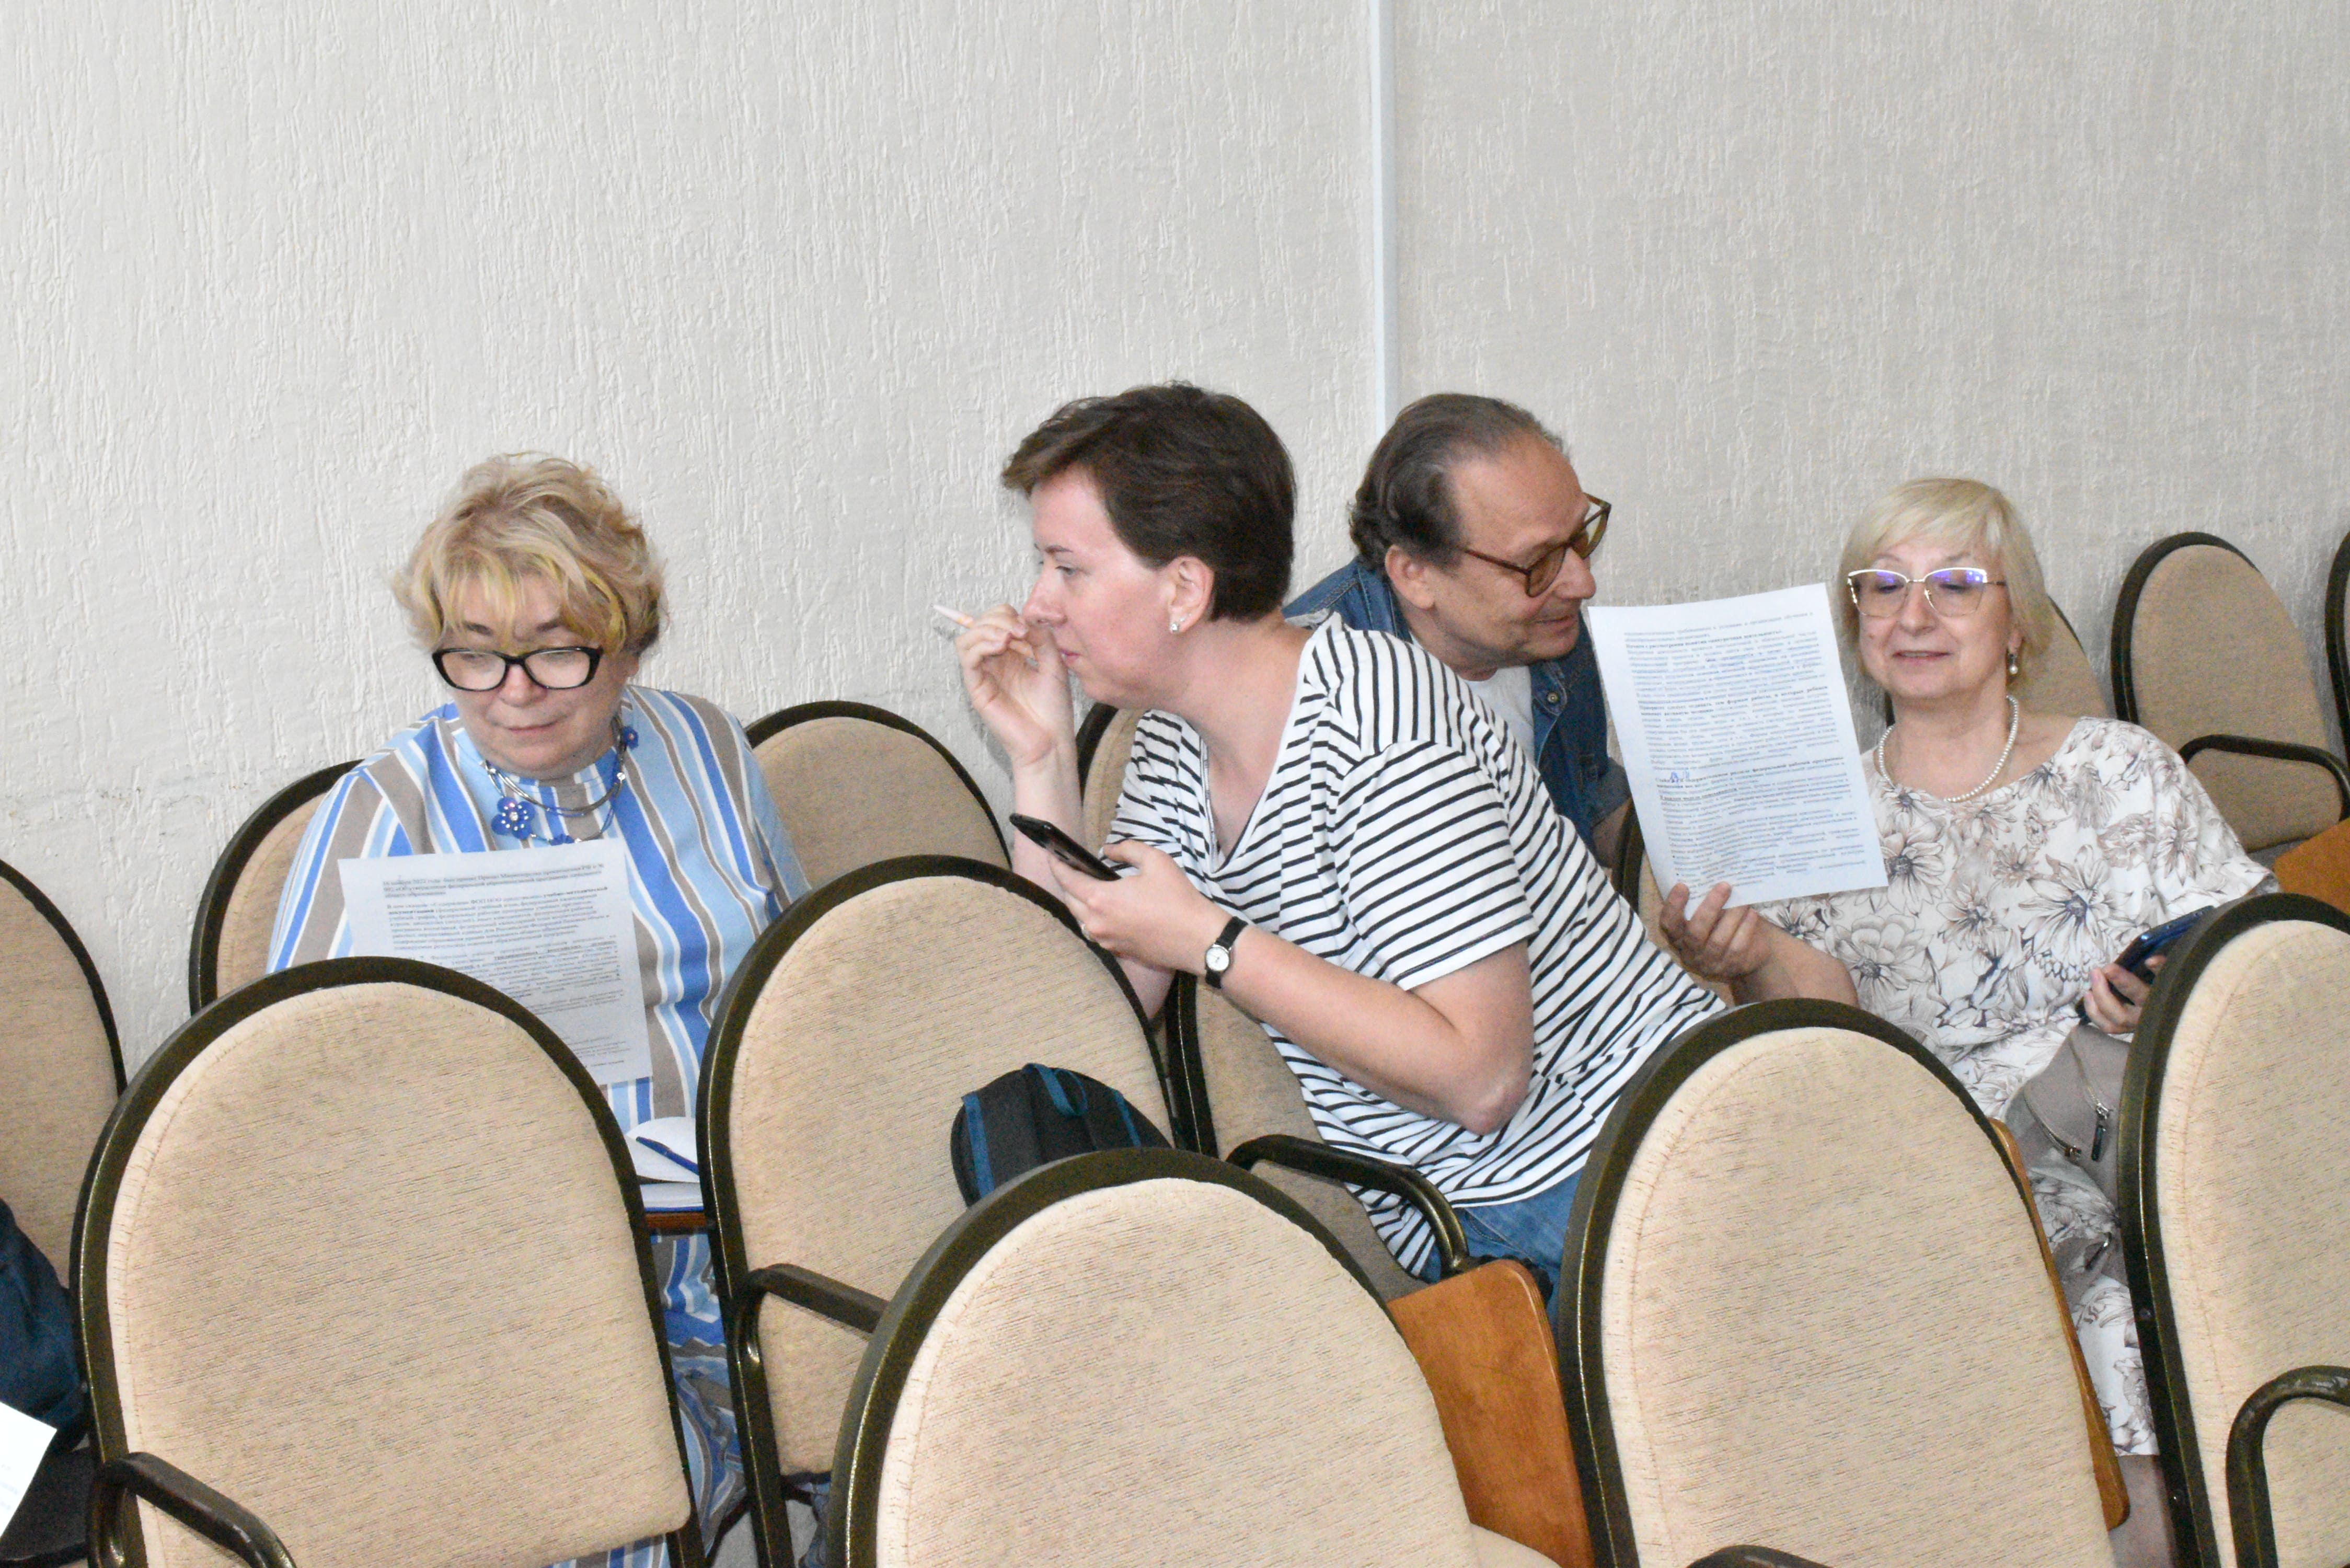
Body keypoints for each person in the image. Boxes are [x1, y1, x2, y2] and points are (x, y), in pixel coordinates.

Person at [955, 383, 1719, 1293]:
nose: (1039, 605)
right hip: (1486, 1204)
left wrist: (1213, 943)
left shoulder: (1378, 726)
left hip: (1634, 1157)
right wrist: (1042, 760)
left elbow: (1481, 1080)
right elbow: (1082, 1021)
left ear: (1185, 589)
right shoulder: (1173, 739)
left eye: (1068, 569)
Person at [1659, 477, 2268, 1562]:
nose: (1914, 615)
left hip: (2155, 1119)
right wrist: (1748, 960)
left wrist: (2167, 989)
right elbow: (1832, 1048)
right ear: (1853, 621)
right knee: (2109, 1304)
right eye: (1883, 587)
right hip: (1962, 1159)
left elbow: (2258, 959)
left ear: (2016, 622)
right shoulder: (1816, 820)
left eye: (1954, 585)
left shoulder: (2122, 770)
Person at [269, 454, 808, 1567]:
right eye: (474, 653)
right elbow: (286, 1110)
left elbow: (803, 987)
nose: (513, 692)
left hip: (742, 1238)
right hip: (506, 1284)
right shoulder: (386, 812)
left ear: (630, 644)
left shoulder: (707, 752)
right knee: (604, 1478)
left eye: (558, 651)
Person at [1286, 394, 1630, 863]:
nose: (1582, 584)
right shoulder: (1309, 695)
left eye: (1579, 538)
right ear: (1416, 575)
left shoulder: (1548, 626)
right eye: (1538, 562)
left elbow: (1589, 795)